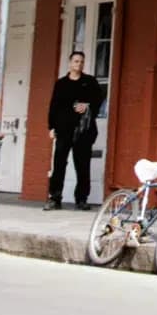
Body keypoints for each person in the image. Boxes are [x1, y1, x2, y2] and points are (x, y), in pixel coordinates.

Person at [45, 50, 105, 210]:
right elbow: (54, 105)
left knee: (82, 165)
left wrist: (87, 105)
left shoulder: (89, 82)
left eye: (81, 62)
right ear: (70, 63)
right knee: (59, 164)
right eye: (76, 61)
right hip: (63, 129)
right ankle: (55, 198)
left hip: (83, 130)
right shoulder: (61, 83)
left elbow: (99, 98)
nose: (79, 64)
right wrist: (51, 127)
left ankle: (81, 199)